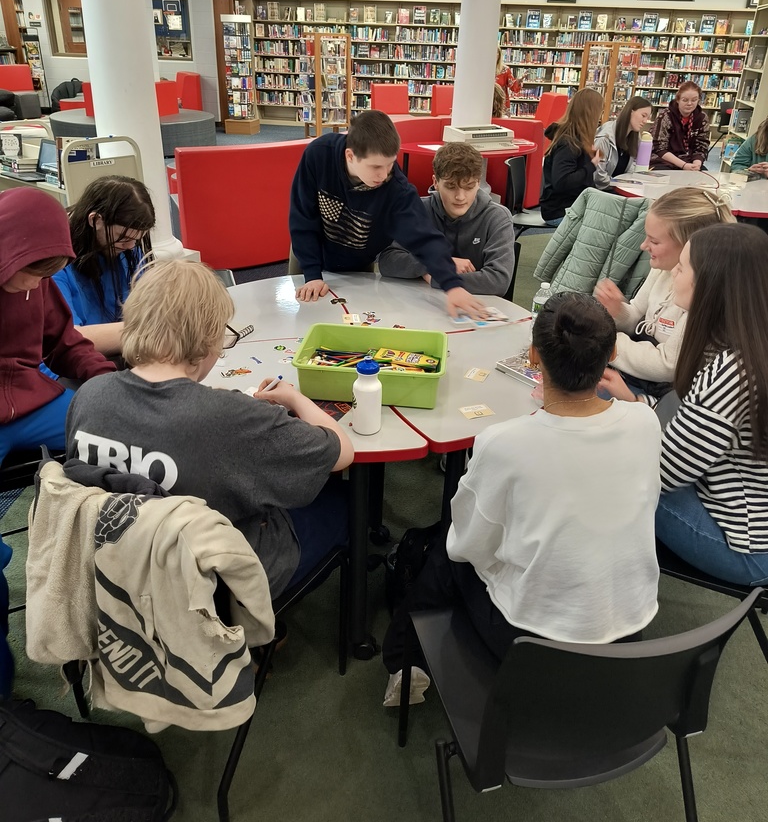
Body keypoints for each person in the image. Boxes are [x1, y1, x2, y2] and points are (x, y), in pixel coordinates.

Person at [381, 292, 662, 706]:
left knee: (444, 549)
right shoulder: (644, 419)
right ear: (612, 354)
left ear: (533, 356)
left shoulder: (503, 443)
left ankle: (401, 667)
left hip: (534, 645)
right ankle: (405, 665)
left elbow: (468, 546)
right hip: (629, 631)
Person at [65, 259, 355, 598]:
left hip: (116, 568)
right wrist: (294, 397)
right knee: (345, 502)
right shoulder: (231, 416)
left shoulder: (89, 395)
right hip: (212, 586)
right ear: (206, 341)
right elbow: (340, 451)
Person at [612, 223, 768, 587]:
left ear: (711, 284)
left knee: (602, 467)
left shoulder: (732, 371)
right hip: (749, 515)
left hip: (744, 548)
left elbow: (662, 474)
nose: (672, 274)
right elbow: (691, 423)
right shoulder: (745, 341)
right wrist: (637, 401)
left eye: (681, 268)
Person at [1, 188, 115, 683]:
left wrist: (109, 385)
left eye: (49, 273)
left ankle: (119, 557)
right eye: (33, 272)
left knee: (119, 425)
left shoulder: (39, 282)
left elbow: (65, 344)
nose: (39, 283)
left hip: (30, 399)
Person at [288, 109, 488, 320]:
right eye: (375, 166)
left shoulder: (396, 189)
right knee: (304, 320)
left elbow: (424, 238)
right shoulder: (318, 155)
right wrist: (311, 274)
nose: (383, 175)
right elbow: (302, 217)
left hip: (357, 263)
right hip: (308, 256)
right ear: (350, 155)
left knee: (351, 322)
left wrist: (452, 285)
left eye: (390, 164)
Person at [596, 187, 735, 399]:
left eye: (654, 241)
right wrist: (618, 311)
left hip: (669, 393)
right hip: (640, 375)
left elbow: (667, 365)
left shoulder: (702, 297)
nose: (644, 246)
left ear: (689, 246)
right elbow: (638, 317)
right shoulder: (662, 269)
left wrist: (603, 341)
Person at [377, 142, 516, 297]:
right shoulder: (417, 210)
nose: (460, 197)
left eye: (469, 187)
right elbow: (387, 261)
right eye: (451, 187)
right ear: (435, 182)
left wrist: (438, 278)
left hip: (478, 308)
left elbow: (498, 281)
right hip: (423, 304)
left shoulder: (497, 217)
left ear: (478, 183)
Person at [53, 175, 155, 356]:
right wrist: (152, 332)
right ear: (95, 220)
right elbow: (69, 338)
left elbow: (149, 309)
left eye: (136, 239)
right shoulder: (56, 263)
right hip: (70, 366)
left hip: (123, 353)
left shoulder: (128, 252)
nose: (131, 246)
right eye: (124, 238)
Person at [539, 87, 604, 225]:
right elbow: (562, 182)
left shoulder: (578, 139)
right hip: (561, 210)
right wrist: (591, 165)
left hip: (572, 205)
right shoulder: (568, 143)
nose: (600, 117)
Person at [592, 95, 653, 187]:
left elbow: (633, 165)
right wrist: (618, 183)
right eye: (643, 115)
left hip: (619, 187)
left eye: (647, 117)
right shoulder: (605, 137)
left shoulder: (635, 137)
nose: (645, 121)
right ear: (631, 112)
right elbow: (597, 174)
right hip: (601, 190)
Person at [650, 82, 710, 171]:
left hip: (689, 160)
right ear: (678, 100)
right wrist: (683, 165)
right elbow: (659, 147)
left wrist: (696, 164)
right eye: (685, 100)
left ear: (699, 100)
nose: (689, 103)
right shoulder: (665, 116)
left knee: (703, 178)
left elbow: (702, 145)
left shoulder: (702, 118)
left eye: (694, 100)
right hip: (664, 161)